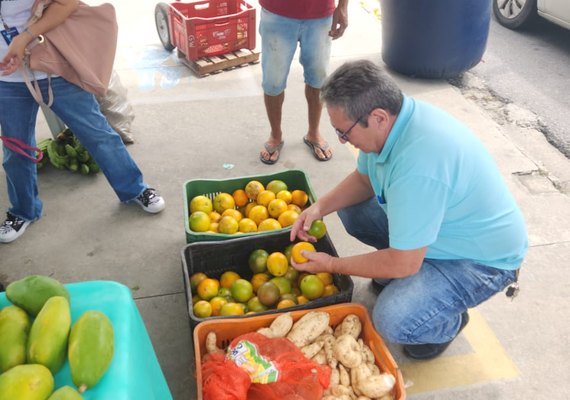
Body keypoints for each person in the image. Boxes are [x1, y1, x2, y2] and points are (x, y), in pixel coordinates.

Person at [290, 60, 528, 360]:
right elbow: (364, 180)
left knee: (392, 320)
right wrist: (318, 207)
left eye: (344, 133)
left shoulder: (419, 166)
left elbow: (404, 263)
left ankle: (447, 322)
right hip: (438, 231)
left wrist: (331, 265)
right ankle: (408, 272)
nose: (341, 140)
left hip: (478, 261)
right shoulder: (393, 125)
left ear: (377, 117)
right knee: (354, 211)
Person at [0, 0, 165, 244]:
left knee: (98, 134)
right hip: (6, 77)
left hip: (54, 67)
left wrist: (24, 37)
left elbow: (66, 4)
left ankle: (135, 189)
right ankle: (23, 211)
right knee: (16, 150)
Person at [258, 0, 349, 164]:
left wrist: (343, 6)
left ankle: (313, 133)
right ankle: (275, 135)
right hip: (277, 13)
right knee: (273, 80)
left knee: (318, 78)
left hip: (321, 15)